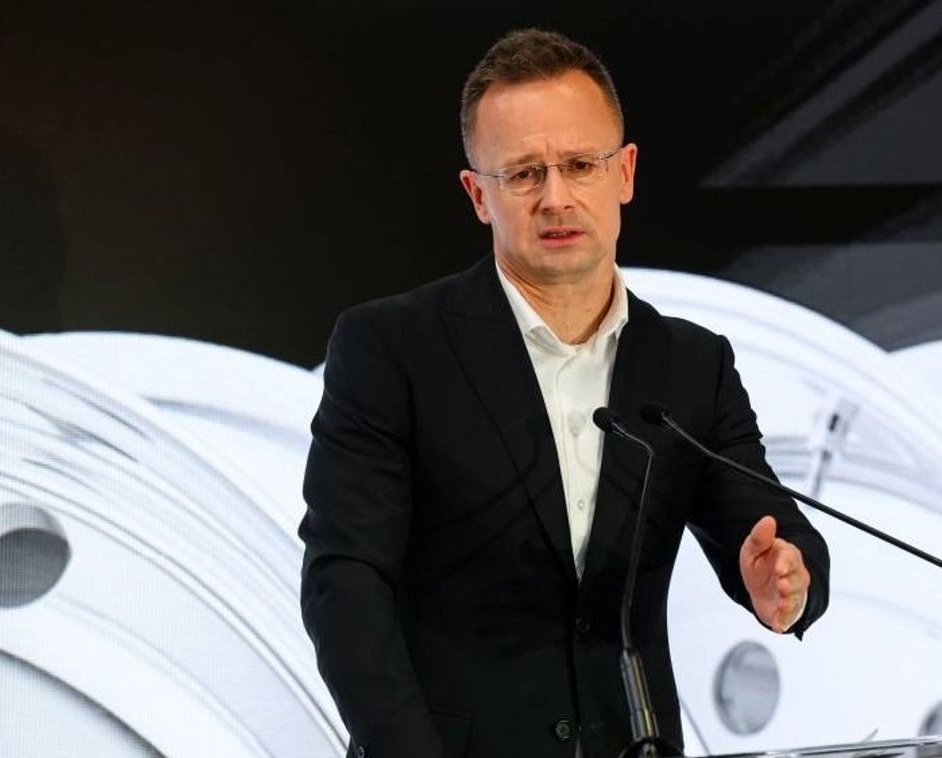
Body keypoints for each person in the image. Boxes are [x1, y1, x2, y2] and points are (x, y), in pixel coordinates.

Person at [299, 28, 830, 758]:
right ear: (478, 195)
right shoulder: (391, 349)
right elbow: (345, 582)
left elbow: (773, 534)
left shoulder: (690, 364)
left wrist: (786, 583)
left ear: (625, 173)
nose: (556, 198)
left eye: (580, 165)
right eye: (523, 174)